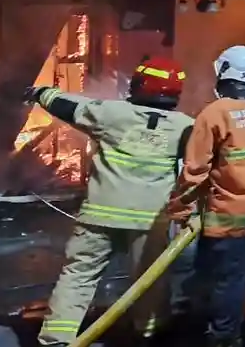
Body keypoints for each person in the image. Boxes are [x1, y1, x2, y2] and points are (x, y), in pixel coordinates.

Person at [30, 58, 193, 346]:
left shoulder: (111, 113)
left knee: (79, 275)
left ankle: (57, 338)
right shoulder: (186, 127)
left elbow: (67, 106)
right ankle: (150, 330)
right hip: (150, 220)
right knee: (150, 279)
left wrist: (38, 92)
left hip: (99, 218)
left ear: (141, 84)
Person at [168, 46, 245, 347]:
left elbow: (194, 170)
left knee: (229, 280)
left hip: (232, 216)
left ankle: (224, 336)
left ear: (225, 76)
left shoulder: (214, 114)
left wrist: (179, 209)